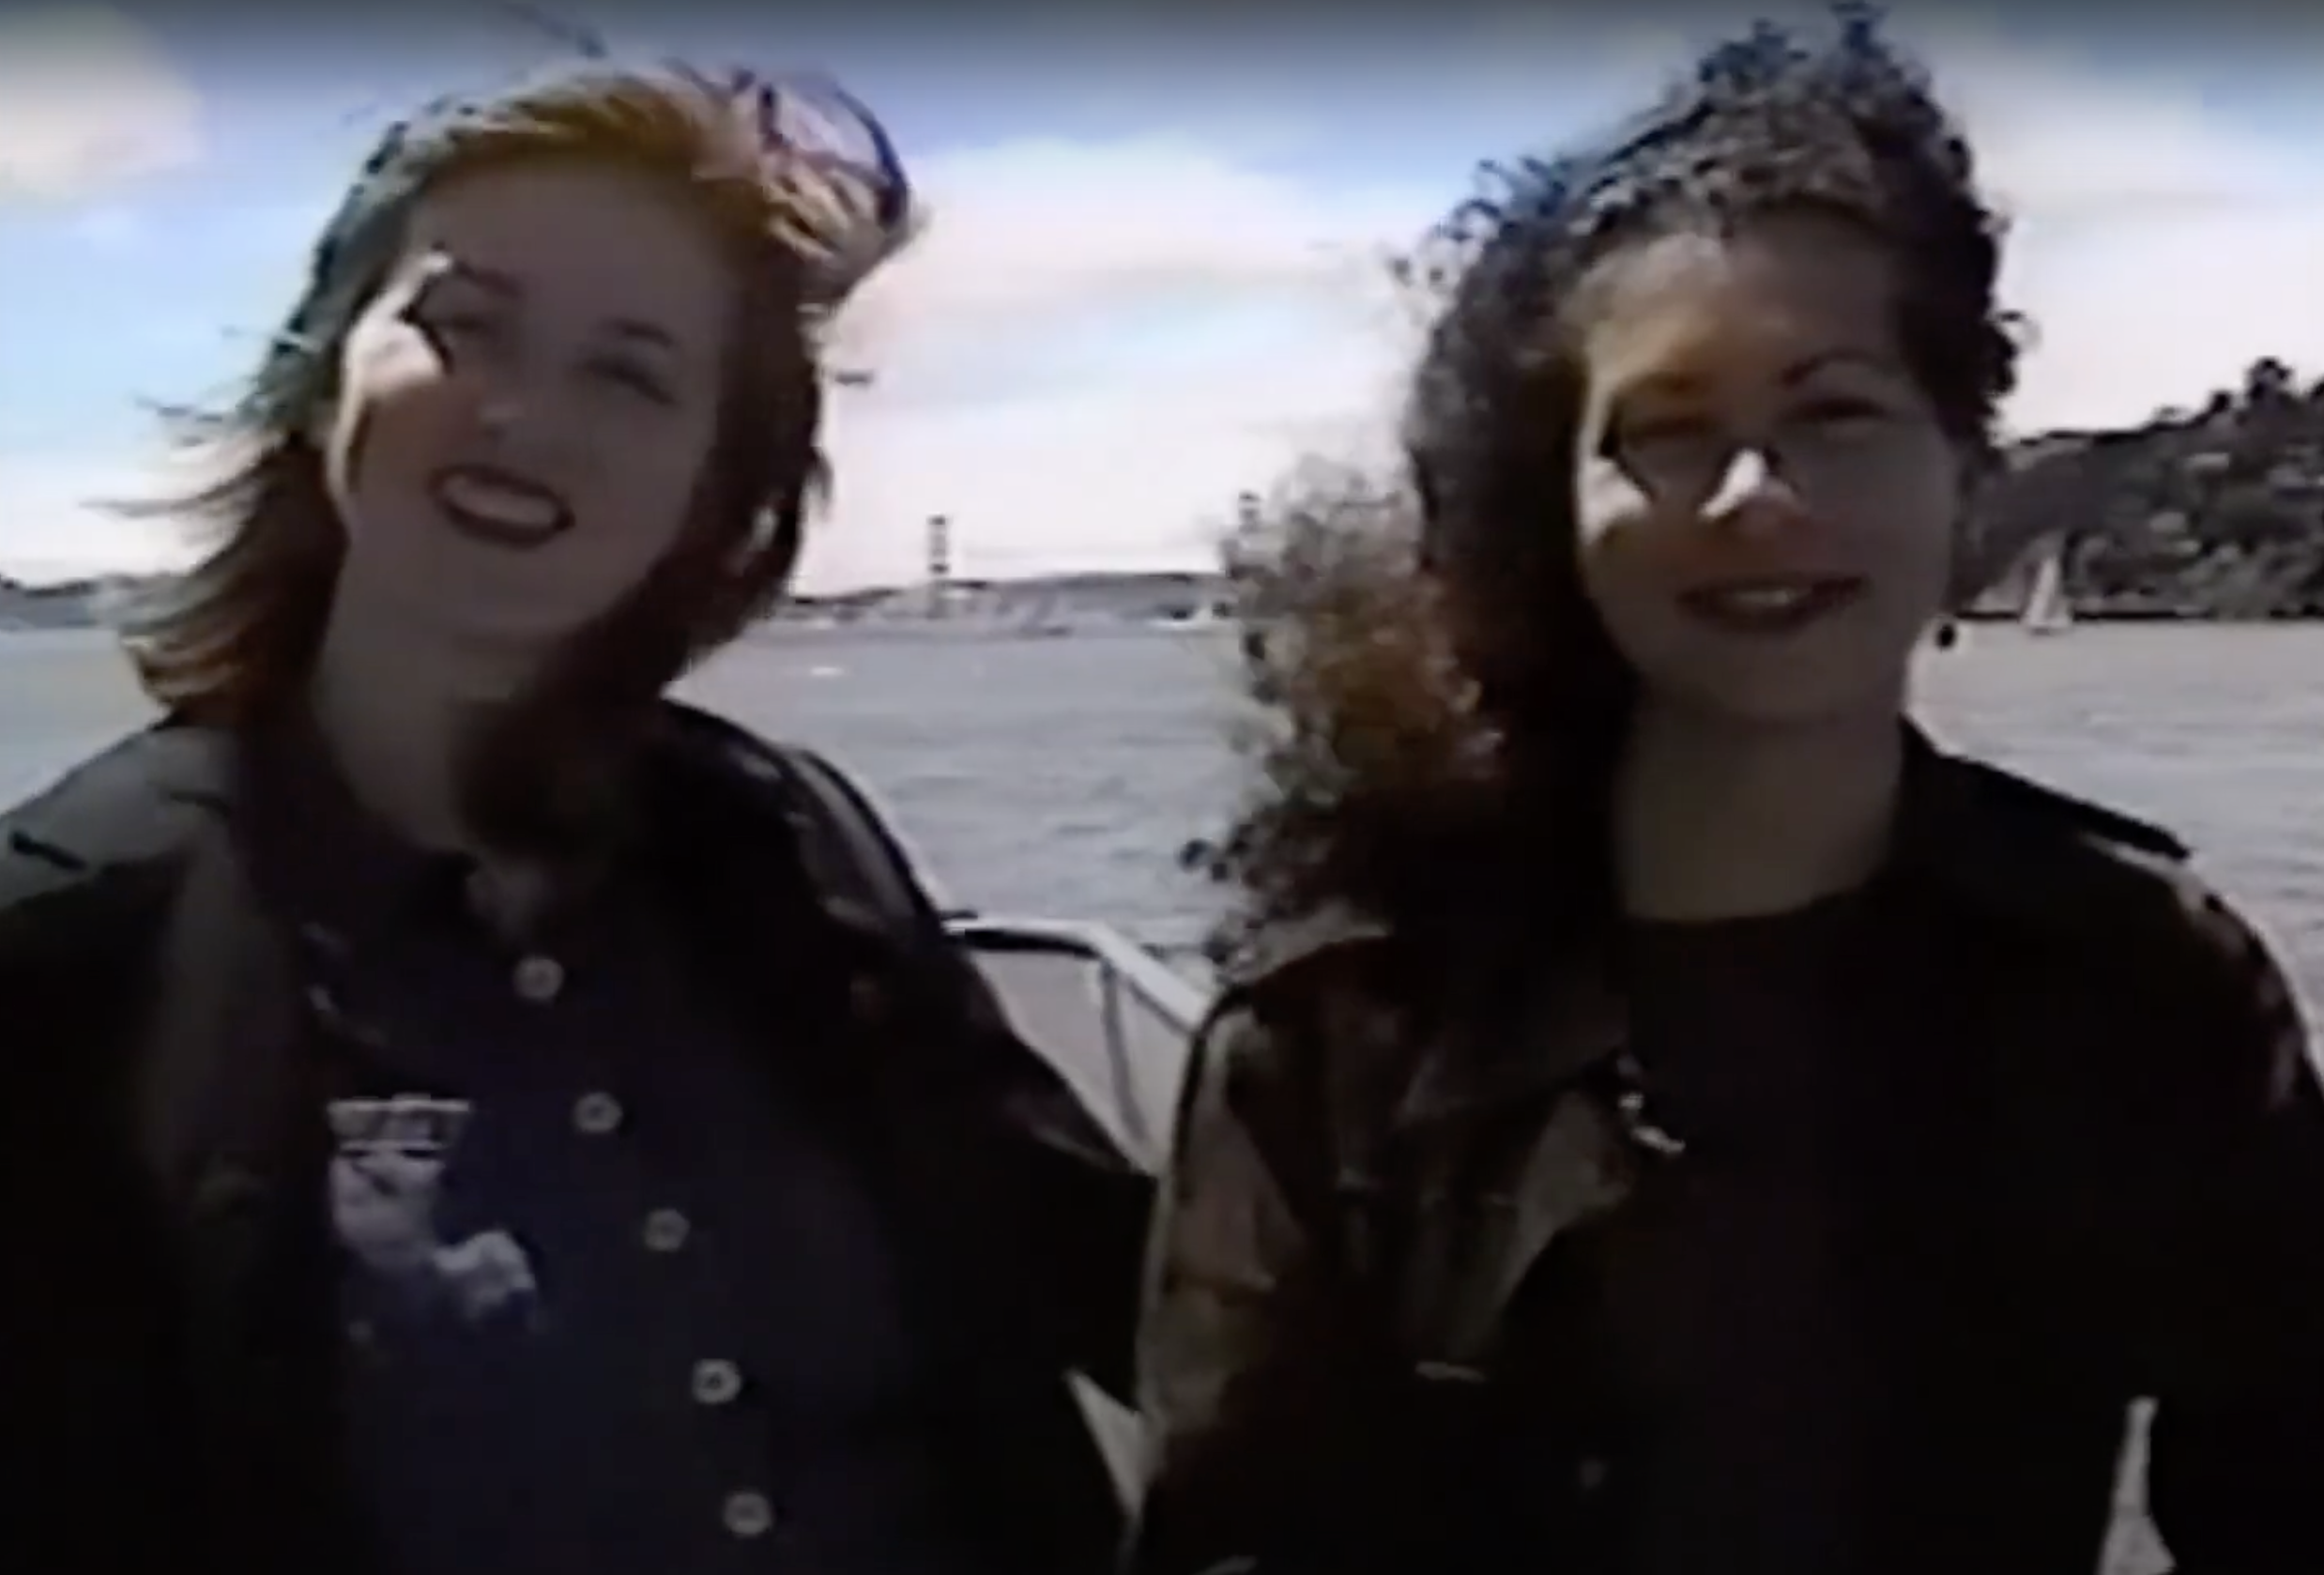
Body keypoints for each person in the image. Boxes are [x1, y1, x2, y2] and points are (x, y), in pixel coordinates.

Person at [1131, 12, 2324, 1575]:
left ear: (1965, 467)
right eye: (1670, 435)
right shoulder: (1341, 1030)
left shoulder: (2143, 978)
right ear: (1549, 514)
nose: (1759, 497)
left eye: (1835, 412)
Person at [0, 62, 1148, 1575]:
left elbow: (1142, 1291)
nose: (525, 415)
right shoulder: (73, 941)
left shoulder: (789, 848)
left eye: (631, 373)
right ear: (324, 377)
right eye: (465, 325)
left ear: (718, 488)